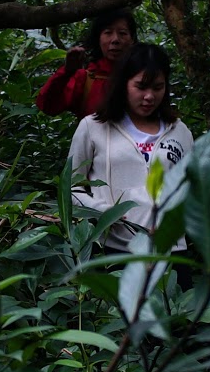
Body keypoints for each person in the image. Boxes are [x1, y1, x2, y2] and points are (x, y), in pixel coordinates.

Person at [67, 43, 193, 252]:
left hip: (171, 254)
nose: (149, 96)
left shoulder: (179, 131)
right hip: (113, 252)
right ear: (123, 84)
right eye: (141, 87)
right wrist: (102, 211)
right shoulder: (93, 127)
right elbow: (70, 189)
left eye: (158, 87)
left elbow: (199, 188)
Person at [35, 10, 136, 118]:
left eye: (122, 33)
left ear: (132, 40)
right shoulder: (85, 79)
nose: (115, 40)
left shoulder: (142, 76)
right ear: (98, 38)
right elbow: (48, 106)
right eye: (108, 32)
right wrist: (66, 72)